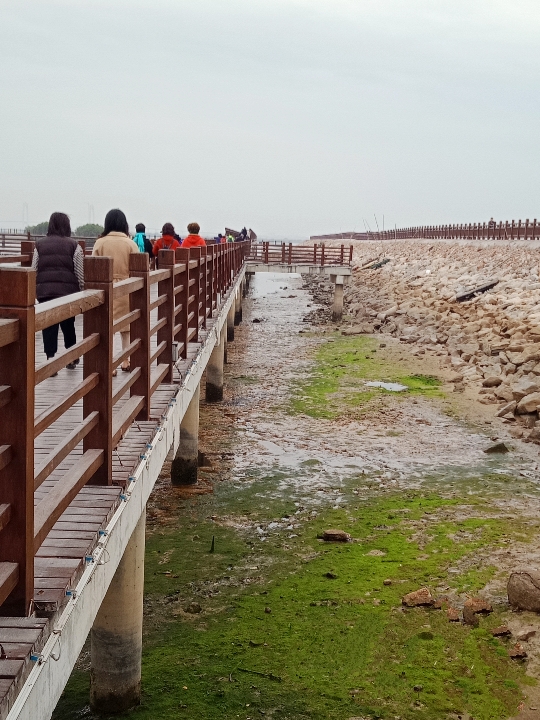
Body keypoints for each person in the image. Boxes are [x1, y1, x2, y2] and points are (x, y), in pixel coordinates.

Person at [32, 212, 84, 372]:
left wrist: (35, 290)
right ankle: (72, 357)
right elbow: (79, 272)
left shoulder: (39, 245)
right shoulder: (74, 245)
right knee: (68, 325)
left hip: (45, 292)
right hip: (68, 293)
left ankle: (51, 360)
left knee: (48, 326)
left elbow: (34, 269)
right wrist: (81, 291)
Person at [92, 209, 139, 374]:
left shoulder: (100, 243)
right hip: (126, 287)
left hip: (104, 289)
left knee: (107, 326)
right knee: (126, 327)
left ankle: (109, 364)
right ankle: (126, 360)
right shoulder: (130, 244)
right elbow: (138, 268)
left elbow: (93, 267)